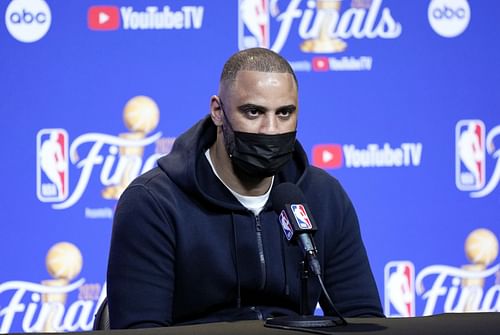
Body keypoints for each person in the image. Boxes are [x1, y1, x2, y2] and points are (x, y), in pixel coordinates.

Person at [107, 47, 384, 329]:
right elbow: (140, 328)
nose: (271, 129)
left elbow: (361, 319)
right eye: (253, 112)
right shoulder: (154, 202)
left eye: (285, 113)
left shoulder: (324, 196)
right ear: (218, 112)